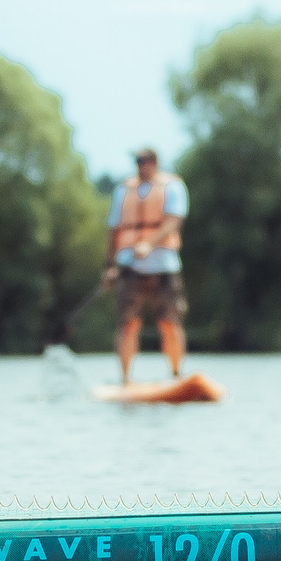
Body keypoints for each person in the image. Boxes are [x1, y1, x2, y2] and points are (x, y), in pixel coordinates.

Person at [104, 147, 189, 385]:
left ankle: (176, 375)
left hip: (165, 266)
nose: (140, 165)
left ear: (154, 162)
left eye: (144, 161)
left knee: (170, 321)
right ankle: (125, 380)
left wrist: (149, 244)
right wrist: (109, 266)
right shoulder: (124, 190)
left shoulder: (172, 186)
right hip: (130, 267)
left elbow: (173, 221)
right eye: (137, 161)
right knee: (128, 323)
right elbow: (114, 229)